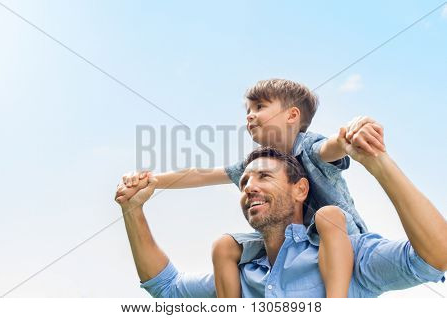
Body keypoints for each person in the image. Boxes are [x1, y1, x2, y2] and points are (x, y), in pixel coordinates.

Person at [117, 79, 385, 297]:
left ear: (292, 115)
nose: (250, 115)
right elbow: (201, 175)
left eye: (259, 107)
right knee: (225, 246)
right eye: (247, 110)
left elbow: (331, 149)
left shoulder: (310, 146)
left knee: (328, 216)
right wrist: (151, 180)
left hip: (336, 236)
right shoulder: (258, 165)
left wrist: (349, 136)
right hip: (289, 240)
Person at [114, 134, 446, 297]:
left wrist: (378, 163)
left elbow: (435, 256)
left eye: (264, 177)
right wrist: (133, 210)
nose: (249, 188)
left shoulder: (347, 257)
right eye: (244, 182)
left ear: (301, 189)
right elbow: (166, 288)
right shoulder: (240, 277)